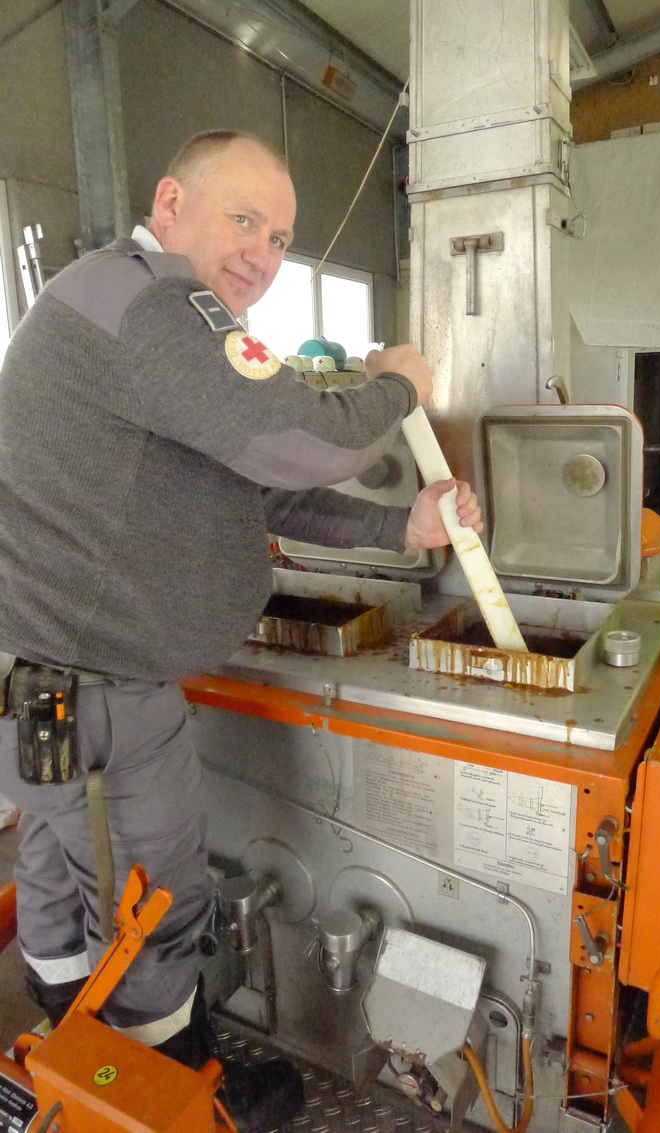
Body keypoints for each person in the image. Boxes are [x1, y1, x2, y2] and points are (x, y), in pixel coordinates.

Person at [0, 130, 482, 1127]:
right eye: (244, 218)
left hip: (49, 686)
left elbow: (258, 485)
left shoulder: (131, 310)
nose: (263, 252)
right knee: (150, 908)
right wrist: (399, 383)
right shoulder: (153, 302)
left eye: (280, 237)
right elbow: (303, 438)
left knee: (59, 873)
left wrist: (402, 527)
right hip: (102, 693)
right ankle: (165, 1095)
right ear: (170, 201)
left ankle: (69, 1060)